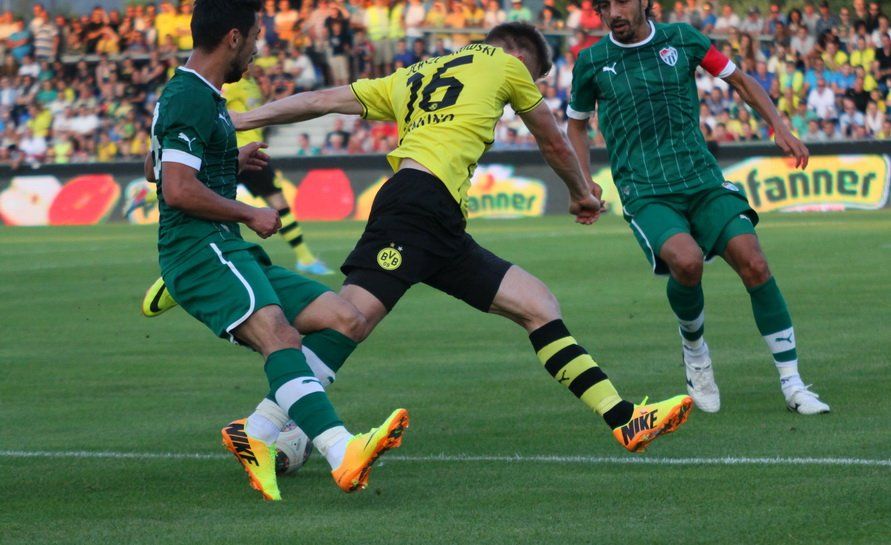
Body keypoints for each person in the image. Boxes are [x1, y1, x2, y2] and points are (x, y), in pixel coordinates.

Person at [231, 22, 693, 453]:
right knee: (348, 321)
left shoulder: (411, 75)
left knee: (537, 303)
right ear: (519, 57)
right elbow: (553, 140)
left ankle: (623, 418)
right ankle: (260, 425)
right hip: (417, 209)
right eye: (531, 77)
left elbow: (318, 100)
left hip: (439, 220)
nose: (520, 93)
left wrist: (242, 119)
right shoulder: (506, 64)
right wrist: (581, 193)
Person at [146, 0, 408, 501]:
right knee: (280, 337)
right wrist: (249, 212)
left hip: (226, 248)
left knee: (345, 319)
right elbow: (175, 189)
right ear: (233, 38)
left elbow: (153, 166)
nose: (258, 48)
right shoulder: (190, 96)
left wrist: (227, 157)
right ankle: (342, 452)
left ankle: (257, 431)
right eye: (255, 37)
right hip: (200, 249)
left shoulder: (203, 96)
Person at [566, 0, 829, 415]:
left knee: (755, 263)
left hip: (701, 178)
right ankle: (695, 352)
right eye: (604, 5)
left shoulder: (683, 39)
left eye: (621, 2)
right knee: (687, 262)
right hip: (645, 187)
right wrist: (583, 182)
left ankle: (793, 384)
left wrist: (779, 126)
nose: (613, 12)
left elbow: (739, 80)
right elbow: (577, 125)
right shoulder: (592, 61)